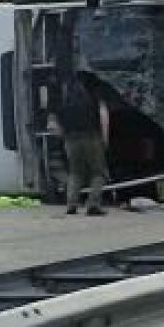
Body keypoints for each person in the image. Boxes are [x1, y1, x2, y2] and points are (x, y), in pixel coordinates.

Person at [53, 71, 110, 217]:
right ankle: (93, 205)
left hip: (70, 140)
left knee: (75, 173)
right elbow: (103, 117)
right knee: (99, 173)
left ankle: (71, 205)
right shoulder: (94, 96)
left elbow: (57, 128)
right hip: (92, 137)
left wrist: (65, 138)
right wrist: (105, 139)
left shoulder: (64, 102)